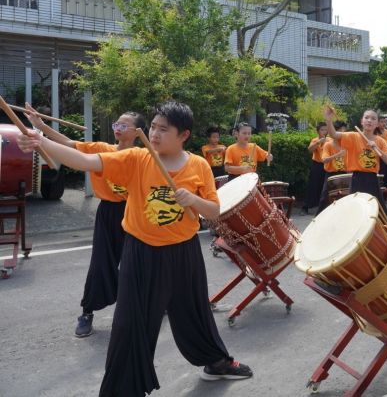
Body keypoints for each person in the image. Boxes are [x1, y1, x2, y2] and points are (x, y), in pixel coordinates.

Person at [16, 101, 252, 395]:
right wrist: (41, 141)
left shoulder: (198, 165)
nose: (154, 133)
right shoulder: (138, 158)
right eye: (153, 126)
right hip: (141, 252)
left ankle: (216, 363)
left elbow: (214, 211)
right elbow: (86, 160)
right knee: (130, 322)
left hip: (184, 252)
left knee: (194, 312)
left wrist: (193, 200)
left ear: (183, 135)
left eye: (163, 129)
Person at [24, 104, 146, 338]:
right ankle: (87, 311)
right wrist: (40, 126)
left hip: (135, 212)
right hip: (108, 212)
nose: (118, 128)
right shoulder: (102, 149)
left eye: (124, 126)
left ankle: (151, 303)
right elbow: (69, 144)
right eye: (116, 124)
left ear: (138, 133)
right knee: (100, 263)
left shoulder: (143, 157)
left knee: (139, 263)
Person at [324, 106, 387, 215]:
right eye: (366, 117)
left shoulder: (380, 141)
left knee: (379, 213)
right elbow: (334, 135)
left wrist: (377, 148)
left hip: (373, 179)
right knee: (355, 213)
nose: (369, 120)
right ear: (362, 121)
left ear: (377, 124)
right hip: (357, 179)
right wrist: (328, 120)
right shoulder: (353, 136)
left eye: (373, 118)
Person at [316, 121, 348, 214]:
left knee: (345, 198)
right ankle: (319, 218)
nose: (342, 134)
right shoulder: (328, 144)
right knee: (325, 198)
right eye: (340, 132)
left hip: (344, 174)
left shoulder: (347, 145)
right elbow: (324, 159)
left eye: (344, 132)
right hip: (331, 175)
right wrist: (338, 155)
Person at [303, 122, 329, 214]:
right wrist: (318, 142)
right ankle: (306, 206)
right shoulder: (315, 140)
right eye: (322, 130)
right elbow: (310, 150)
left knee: (325, 187)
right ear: (318, 131)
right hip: (317, 165)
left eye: (326, 130)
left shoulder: (329, 140)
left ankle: (323, 207)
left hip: (327, 165)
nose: (324, 132)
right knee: (313, 185)